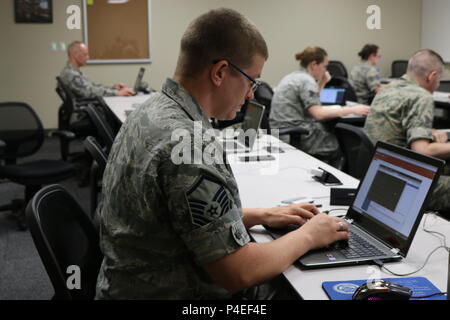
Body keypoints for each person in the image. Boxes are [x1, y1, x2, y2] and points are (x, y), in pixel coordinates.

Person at [95, 8, 349, 300]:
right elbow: (239, 273)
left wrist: (261, 215)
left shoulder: (150, 110)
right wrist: (310, 234)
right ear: (219, 72)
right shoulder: (191, 145)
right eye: (252, 81)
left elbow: (177, 216)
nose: (251, 94)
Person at [364, 49, 450, 213]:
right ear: (431, 76)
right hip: (402, 184)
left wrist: (428, 131)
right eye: (439, 80)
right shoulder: (421, 96)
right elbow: (423, 151)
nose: (438, 85)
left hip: (376, 176)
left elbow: (397, 123)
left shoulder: (388, 89)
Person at [269, 46, 370, 167]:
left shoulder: (293, 76)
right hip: (297, 135)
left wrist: (322, 82)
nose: (326, 70)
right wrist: (353, 109)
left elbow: (312, 100)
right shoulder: (306, 81)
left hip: (281, 133)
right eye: (324, 66)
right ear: (314, 64)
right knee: (342, 145)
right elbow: (318, 114)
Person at [59, 41, 135, 99]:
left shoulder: (73, 71)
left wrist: (113, 87)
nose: (88, 58)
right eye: (85, 54)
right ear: (76, 55)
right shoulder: (71, 74)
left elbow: (92, 86)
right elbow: (90, 92)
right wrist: (117, 93)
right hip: (84, 112)